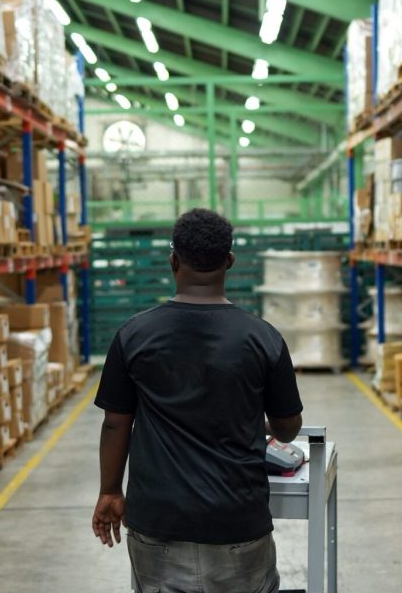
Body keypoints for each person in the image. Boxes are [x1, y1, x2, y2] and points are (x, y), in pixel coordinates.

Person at [92, 208, 304, 593]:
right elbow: (289, 427)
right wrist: (262, 424)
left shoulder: (133, 335)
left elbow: (115, 422)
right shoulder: (263, 338)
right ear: (230, 262)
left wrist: (110, 490)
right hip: (237, 522)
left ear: (173, 260)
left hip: (158, 521)